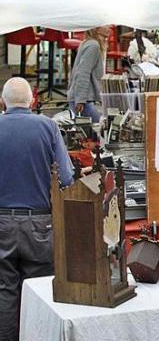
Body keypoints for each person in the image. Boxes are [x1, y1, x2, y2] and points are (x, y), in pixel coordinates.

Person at [0, 78, 74, 340]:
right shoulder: (48, 126)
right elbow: (66, 179)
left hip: (1, 224)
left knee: (5, 290)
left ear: (2, 102)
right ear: (32, 101)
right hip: (40, 225)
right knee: (39, 291)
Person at [67, 25, 112, 123]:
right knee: (96, 133)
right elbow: (83, 72)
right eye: (106, 25)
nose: (110, 27)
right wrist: (80, 99)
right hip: (86, 100)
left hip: (83, 98)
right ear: (97, 29)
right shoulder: (93, 46)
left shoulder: (89, 43)